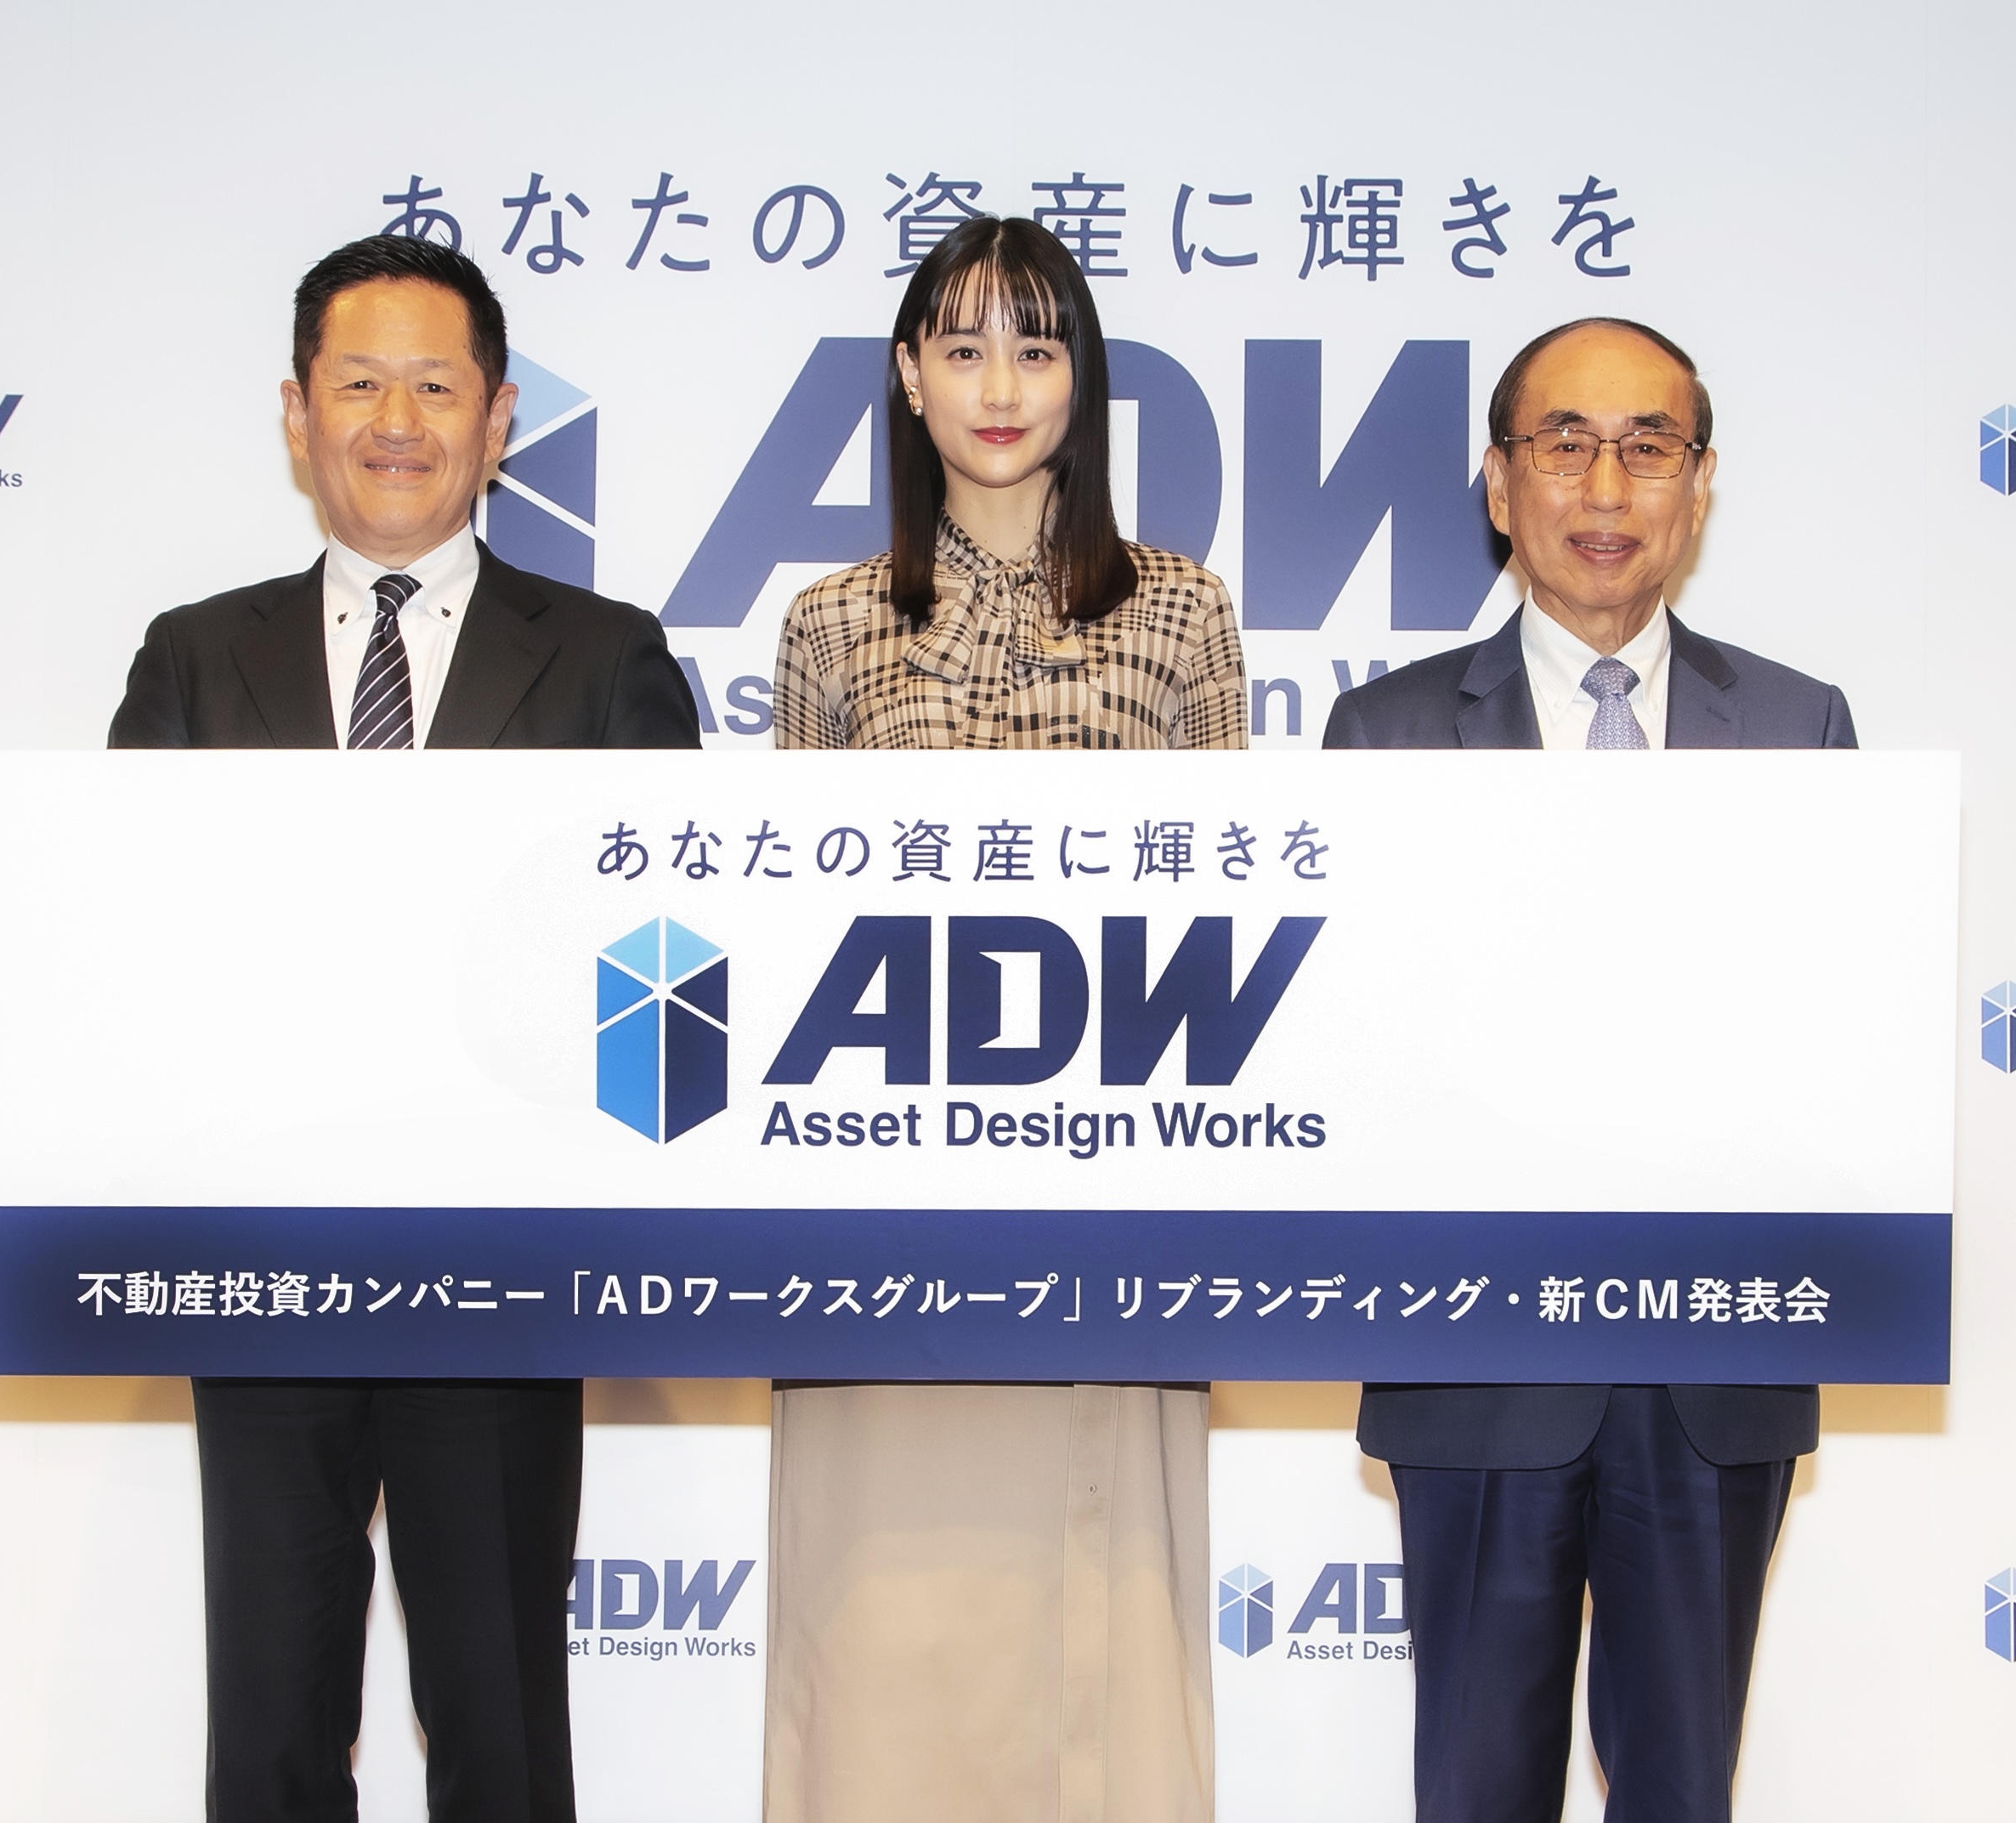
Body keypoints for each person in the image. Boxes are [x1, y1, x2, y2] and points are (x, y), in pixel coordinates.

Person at [109, 234, 699, 1823]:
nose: (395, 422)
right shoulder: (192, 657)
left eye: (435, 387)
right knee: (269, 1736)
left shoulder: (608, 659)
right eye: (358, 382)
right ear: (296, 412)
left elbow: (666, 958)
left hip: (500, 1274)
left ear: (498, 419)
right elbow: (126, 948)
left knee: (501, 1736)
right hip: (261, 1259)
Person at [1324, 318, 1854, 1823]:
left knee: (1683, 1783)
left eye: (1648, 446)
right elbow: (1360, 1048)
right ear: (1500, 484)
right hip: (1477, 1349)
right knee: (1477, 1786)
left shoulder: (1802, 730)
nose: (1605, 486)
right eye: (1564, 444)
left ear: (1700, 484)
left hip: (1713, 1357)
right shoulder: (1390, 734)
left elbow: (1834, 1032)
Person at [764, 215, 1244, 1823]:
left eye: (1036, 349)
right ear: (909, 377)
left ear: (1081, 380)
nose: (999, 386)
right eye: (963, 348)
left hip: (1112, 1196)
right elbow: (792, 927)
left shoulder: (1181, 609)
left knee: (1095, 1651)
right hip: (878, 1207)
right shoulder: (829, 622)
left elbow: (1225, 910)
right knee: (879, 1631)